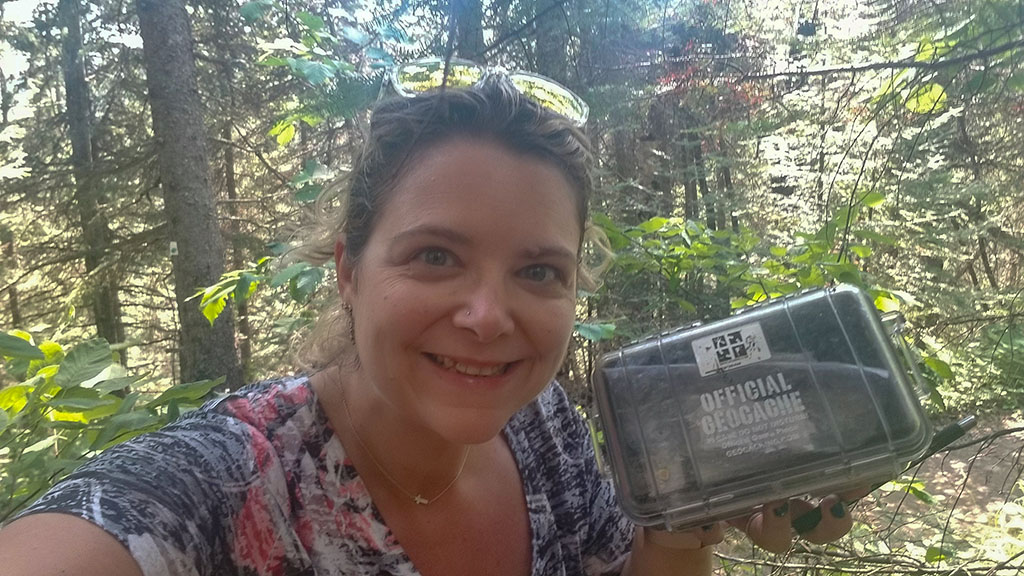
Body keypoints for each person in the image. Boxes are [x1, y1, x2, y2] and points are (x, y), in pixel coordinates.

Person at [0, 60, 859, 576]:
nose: (489, 317)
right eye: (436, 256)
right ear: (347, 270)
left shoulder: (543, 426)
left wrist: (679, 533)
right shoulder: (238, 483)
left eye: (537, 270)